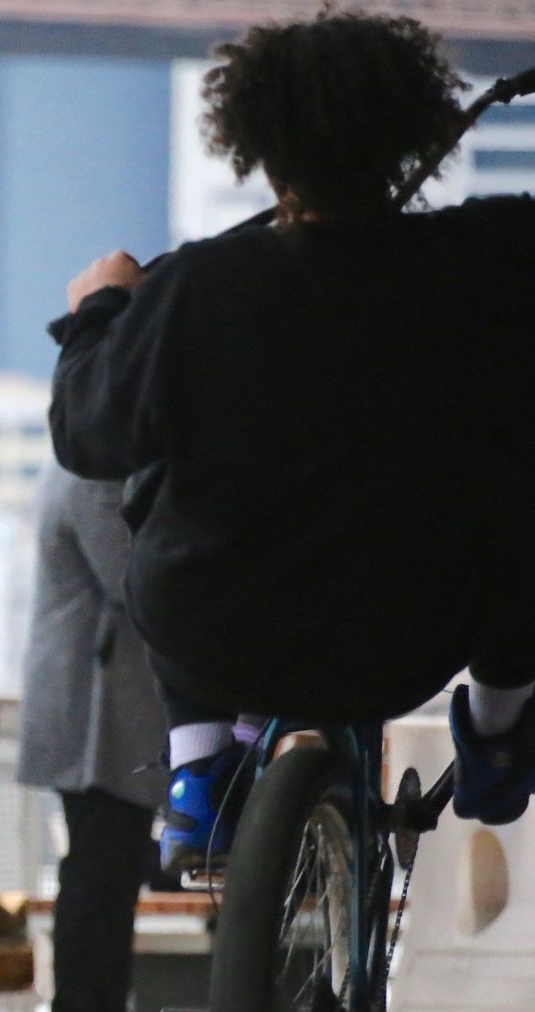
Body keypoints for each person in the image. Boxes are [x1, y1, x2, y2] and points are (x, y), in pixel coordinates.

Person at [47, 10, 535, 873]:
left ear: (256, 146)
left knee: (155, 477)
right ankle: (499, 732)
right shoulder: (495, 258)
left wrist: (100, 312)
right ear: (415, 134)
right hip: (416, 635)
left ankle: (199, 760)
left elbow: (88, 439)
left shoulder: (197, 288)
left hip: (217, 635)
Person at [19, 464, 203, 1012]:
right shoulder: (93, 481)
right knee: (96, 872)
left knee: (117, 869)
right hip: (92, 709)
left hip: (112, 708)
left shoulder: (93, 473)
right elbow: (134, 581)